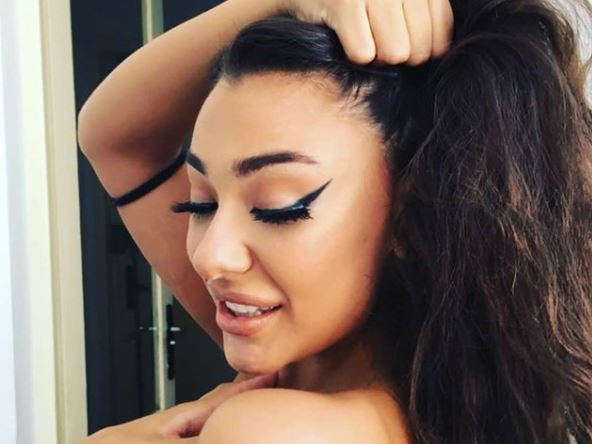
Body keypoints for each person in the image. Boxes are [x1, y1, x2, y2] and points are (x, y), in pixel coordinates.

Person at [76, 0, 592, 442]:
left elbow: (113, 139)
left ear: (407, 217)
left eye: (279, 208)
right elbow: (113, 140)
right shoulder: (348, 365)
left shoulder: (273, 430)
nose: (211, 256)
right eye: (202, 204)